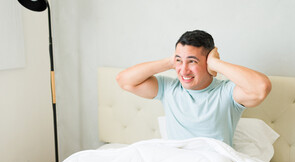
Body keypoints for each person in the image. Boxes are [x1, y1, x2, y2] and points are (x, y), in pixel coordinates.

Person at [116, 30, 271, 146]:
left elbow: (261, 88)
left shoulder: (227, 92)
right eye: (179, 61)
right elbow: (124, 81)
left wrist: (216, 64)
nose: (183, 70)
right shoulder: (169, 88)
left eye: (192, 61)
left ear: (208, 61)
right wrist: (171, 61)